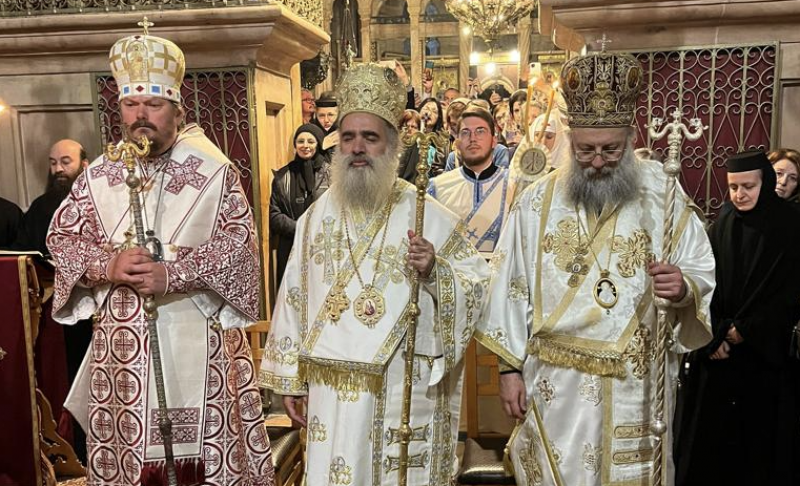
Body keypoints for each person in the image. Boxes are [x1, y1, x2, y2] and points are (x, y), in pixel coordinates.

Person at [476, 47, 716, 486]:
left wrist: (682, 288)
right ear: (569, 141)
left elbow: (699, 264)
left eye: (611, 149)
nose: (599, 161)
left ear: (629, 139)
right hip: (556, 384)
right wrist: (508, 370)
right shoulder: (536, 201)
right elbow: (510, 286)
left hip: (634, 383)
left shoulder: (661, 192)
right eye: (586, 150)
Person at [47, 28, 274, 485]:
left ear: (177, 109)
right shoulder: (100, 176)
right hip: (124, 349)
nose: (141, 115)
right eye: (131, 105)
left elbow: (239, 247)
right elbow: (62, 239)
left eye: (153, 105)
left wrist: (175, 274)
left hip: (201, 339)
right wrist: (105, 266)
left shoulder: (212, 172)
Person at [260, 62, 490, 485]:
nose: (358, 148)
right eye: (349, 137)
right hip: (330, 396)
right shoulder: (314, 219)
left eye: (370, 137)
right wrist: (290, 379)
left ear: (392, 144)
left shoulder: (426, 214)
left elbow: (478, 288)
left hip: (401, 383)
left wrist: (436, 271)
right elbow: (293, 297)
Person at [674, 151, 800, 486]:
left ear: (765, 183)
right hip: (719, 358)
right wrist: (715, 336)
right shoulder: (722, 226)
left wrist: (746, 330)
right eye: (733, 187)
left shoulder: (790, 228)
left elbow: (788, 292)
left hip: (764, 361)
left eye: (748, 186)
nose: (739, 194)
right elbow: (705, 285)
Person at [428, 105, 511, 254]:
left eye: (480, 131)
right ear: (458, 142)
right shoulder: (437, 188)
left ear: (494, 140)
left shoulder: (514, 185)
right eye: (465, 133)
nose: (473, 138)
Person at [270, 123, 329, 287]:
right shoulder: (282, 177)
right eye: (300, 141)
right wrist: (300, 228)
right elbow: (274, 215)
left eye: (311, 141)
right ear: (295, 145)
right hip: (291, 247)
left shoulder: (332, 176)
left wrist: (316, 230)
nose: (305, 146)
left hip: (323, 246)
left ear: (318, 143)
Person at [12, 139, 89, 255]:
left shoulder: (98, 201)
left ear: (84, 165)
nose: (58, 169)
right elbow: (23, 249)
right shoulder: (40, 206)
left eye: (66, 162)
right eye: (53, 163)